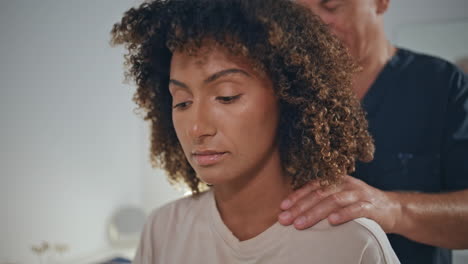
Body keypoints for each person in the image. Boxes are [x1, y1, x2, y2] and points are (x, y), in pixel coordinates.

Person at [111, 0, 400, 263]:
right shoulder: (163, 231)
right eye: (182, 102)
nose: (197, 128)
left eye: (226, 96)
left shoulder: (352, 244)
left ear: (289, 98)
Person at [279, 0, 468, 263]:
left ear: (381, 3)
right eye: (299, 16)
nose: (314, 26)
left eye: (332, 6)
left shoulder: (441, 86)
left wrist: (394, 210)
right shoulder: (282, 94)